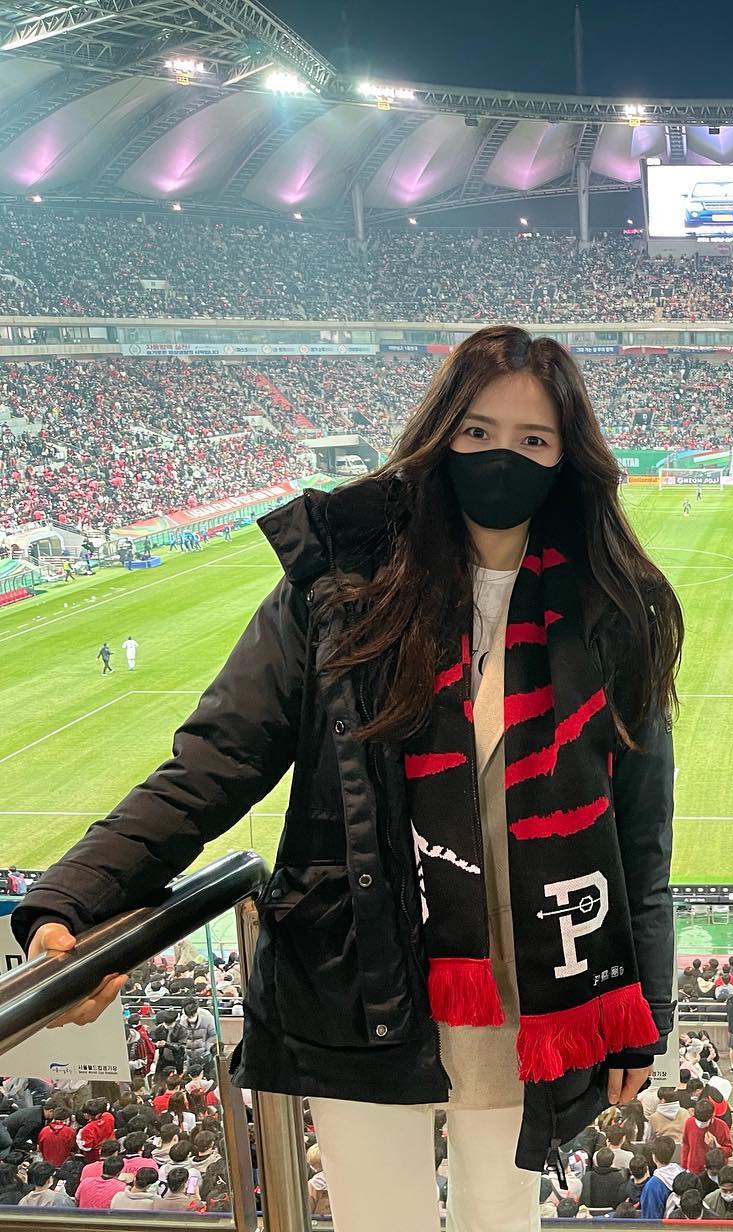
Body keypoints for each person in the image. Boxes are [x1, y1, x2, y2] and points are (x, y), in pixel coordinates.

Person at [14, 327, 683, 1232]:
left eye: (533, 439)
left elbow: (640, 838)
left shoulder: (615, 609)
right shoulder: (342, 584)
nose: (502, 457)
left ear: (569, 458)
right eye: (478, 431)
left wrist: (649, 1008)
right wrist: (75, 896)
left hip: (535, 985)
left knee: (501, 1217)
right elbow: (216, 759)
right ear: (440, 433)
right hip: (359, 975)